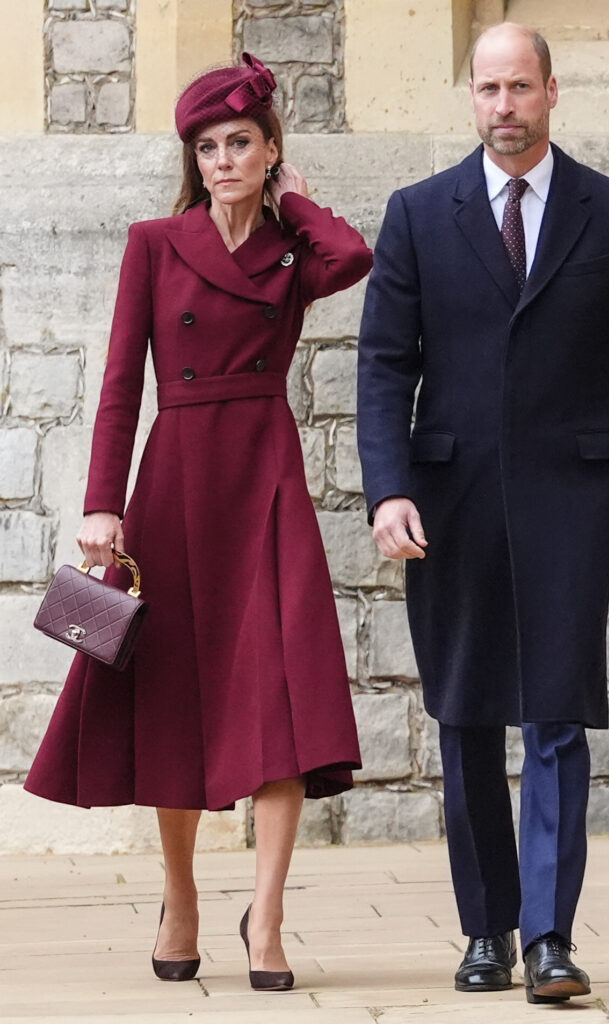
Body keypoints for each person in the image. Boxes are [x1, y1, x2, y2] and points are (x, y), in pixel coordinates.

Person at [357, 22, 609, 1005]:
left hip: (569, 495)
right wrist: (387, 487)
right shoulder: (419, 215)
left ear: (553, 90)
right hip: (447, 497)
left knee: (554, 709)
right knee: (466, 711)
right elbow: (384, 362)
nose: (502, 106)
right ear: (469, 98)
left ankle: (549, 937)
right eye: (486, 89)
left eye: (518, 87)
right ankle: (485, 928)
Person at [26, 52, 370, 991]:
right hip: (172, 482)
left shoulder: (295, 253)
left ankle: (268, 917)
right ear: (195, 158)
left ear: (269, 152)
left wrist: (296, 202)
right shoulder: (153, 242)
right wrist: (102, 501)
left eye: (240, 143)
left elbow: (354, 259)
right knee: (174, 695)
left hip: (263, 477)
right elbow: (114, 382)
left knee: (282, 691)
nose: (222, 159)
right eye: (208, 146)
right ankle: (180, 898)